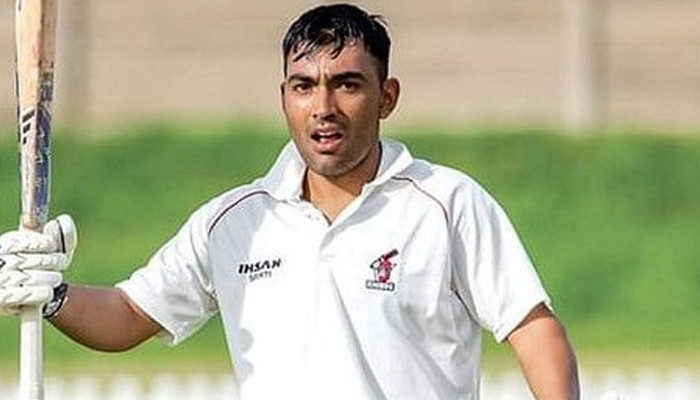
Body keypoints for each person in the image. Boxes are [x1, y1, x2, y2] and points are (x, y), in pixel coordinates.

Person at [0, 4, 579, 400]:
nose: (323, 107)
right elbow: (130, 314)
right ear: (284, 98)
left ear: (387, 96)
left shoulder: (446, 203)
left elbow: (533, 329)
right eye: (304, 86)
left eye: (347, 84)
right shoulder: (235, 222)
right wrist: (52, 296)